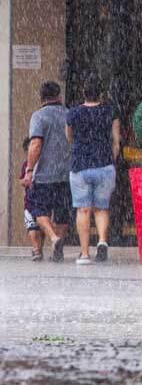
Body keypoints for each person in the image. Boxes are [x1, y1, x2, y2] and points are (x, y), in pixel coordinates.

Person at [65, 74, 121, 265]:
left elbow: (70, 138)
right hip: (104, 165)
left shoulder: (73, 113)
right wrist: (109, 161)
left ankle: (84, 254)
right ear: (101, 93)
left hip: (80, 166)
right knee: (101, 208)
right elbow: (116, 142)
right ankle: (103, 241)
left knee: (83, 210)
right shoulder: (110, 111)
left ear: (84, 92)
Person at [21, 81, 72, 262]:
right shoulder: (68, 114)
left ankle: (53, 238)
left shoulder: (38, 116)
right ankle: (56, 249)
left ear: (41, 98)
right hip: (66, 173)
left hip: (44, 175)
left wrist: (29, 170)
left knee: (39, 210)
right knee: (62, 213)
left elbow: (35, 144)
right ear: (59, 96)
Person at [19, 138, 45, 261]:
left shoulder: (26, 165)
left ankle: (37, 250)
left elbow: (22, 181)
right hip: (36, 201)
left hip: (31, 201)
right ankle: (37, 249)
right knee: (36, 228)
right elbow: (22, 181)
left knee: (33, 227)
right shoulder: (40, 165)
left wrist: (25, 181)